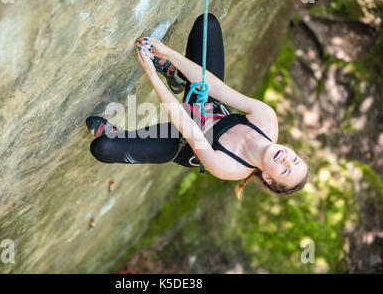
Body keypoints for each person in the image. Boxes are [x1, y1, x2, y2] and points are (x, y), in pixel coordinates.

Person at [86, 13, 308, 198]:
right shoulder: (266, 120)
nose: (286, 159)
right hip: (207, 105)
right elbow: (217, 89)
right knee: (207, 24)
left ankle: (118, 135)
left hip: (182, 141)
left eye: (285, 170)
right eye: (294, 159)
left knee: (103, 148)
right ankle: (177, 76)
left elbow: (186, 127)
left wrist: (151, 74)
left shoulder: (230, 168)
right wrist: (168, 54)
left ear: (268, 178)